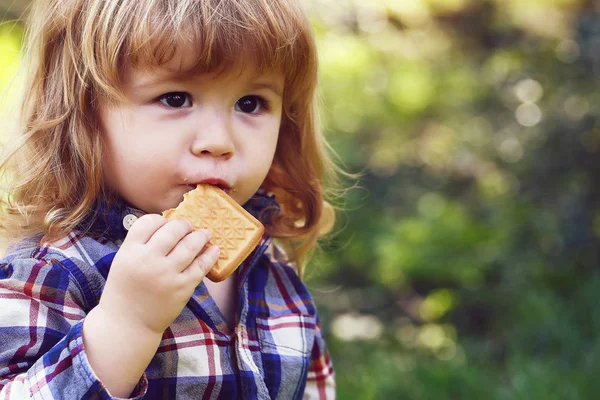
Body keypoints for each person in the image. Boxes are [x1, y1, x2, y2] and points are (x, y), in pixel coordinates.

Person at [0, 0, 344, 398]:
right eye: (176, 98)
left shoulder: (271, 270)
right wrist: (126, 325)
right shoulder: (51, 274)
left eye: (250, 103)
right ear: (85, 113)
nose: (218, 141)